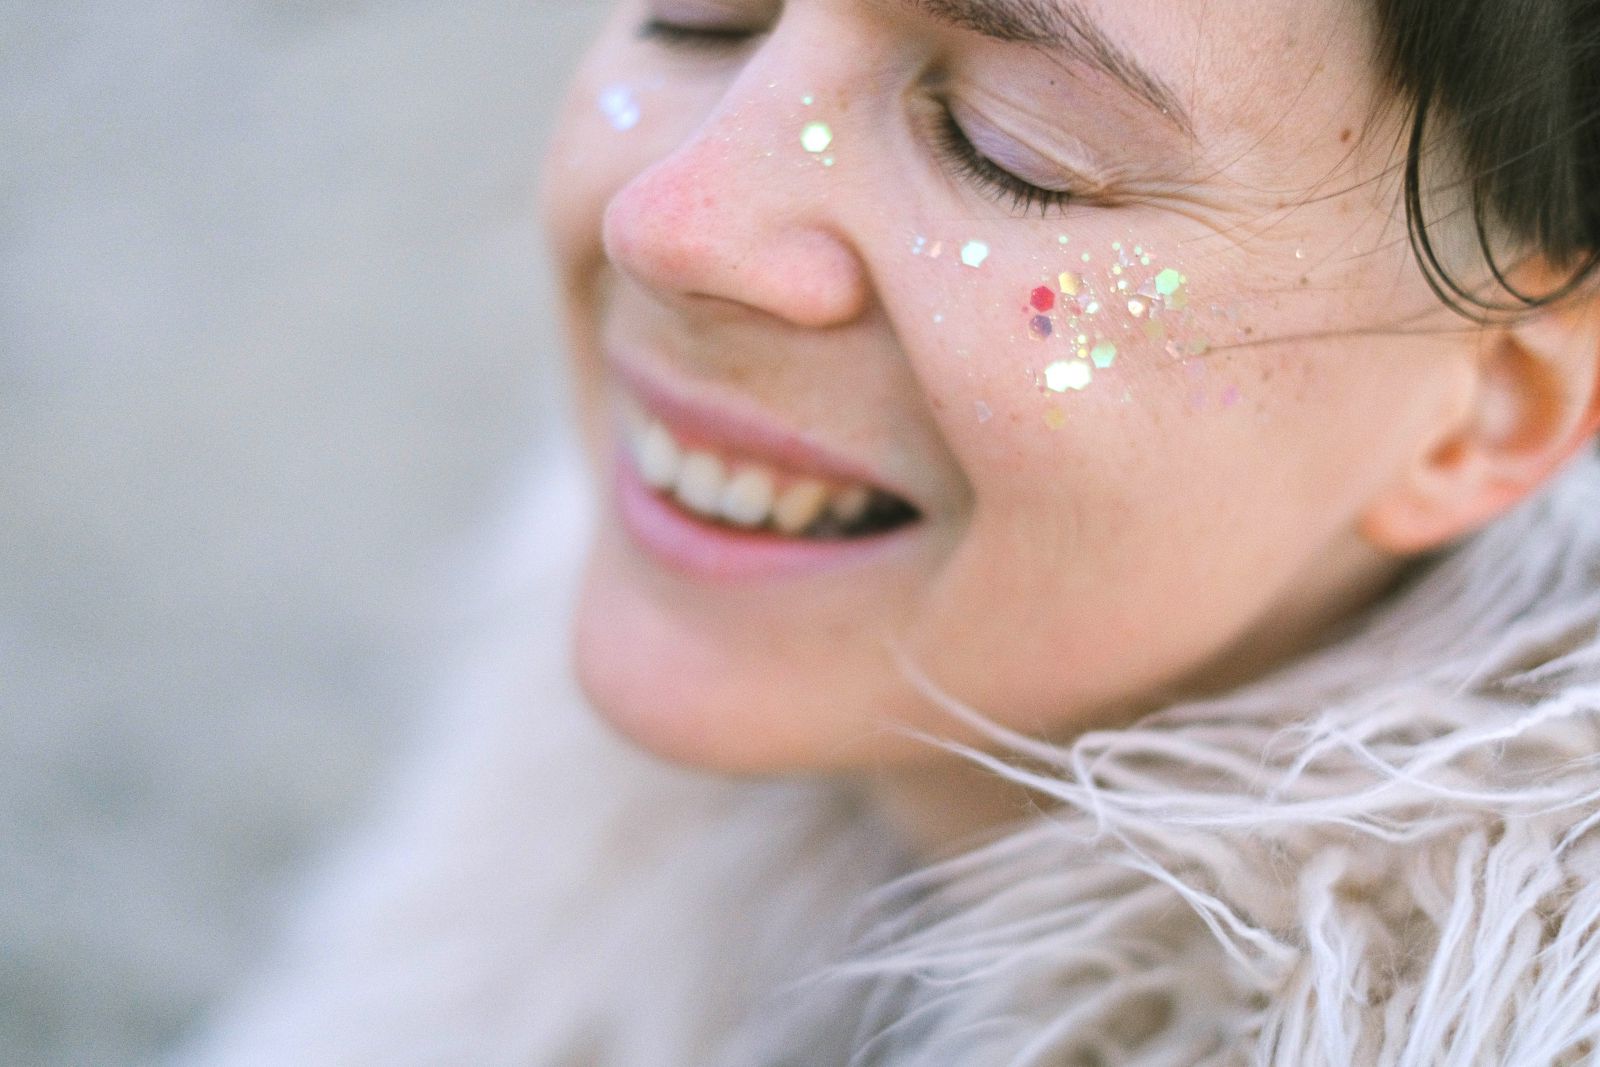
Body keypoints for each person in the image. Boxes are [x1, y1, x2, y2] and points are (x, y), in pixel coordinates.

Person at [178, 0, 1600, 1063]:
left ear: (1488, 410)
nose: (673, 222)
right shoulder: (544, 878)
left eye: (1014, 153)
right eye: (703, 16)